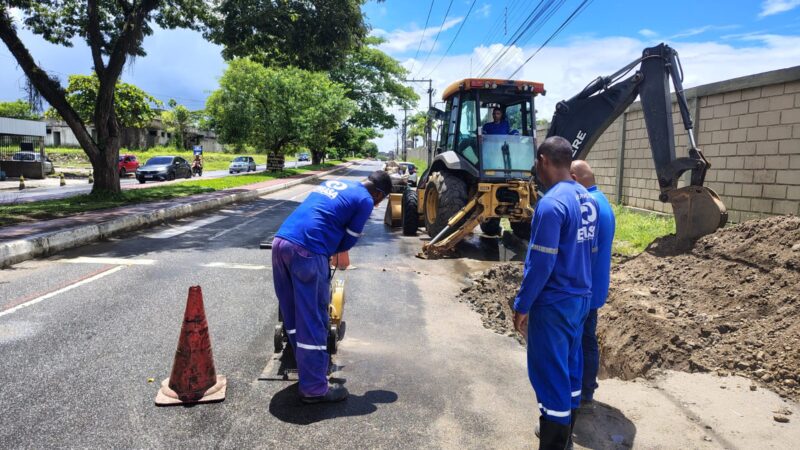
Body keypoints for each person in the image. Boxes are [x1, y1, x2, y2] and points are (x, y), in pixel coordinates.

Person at [271, 171, 393, 404]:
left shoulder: (337, 183)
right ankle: (315, 388)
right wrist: (329, 251)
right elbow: (348, 240)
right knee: (313, 318)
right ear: (378, 193)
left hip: (281, 242)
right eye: (381, 199)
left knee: (292, 314)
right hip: (307, 250)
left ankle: (307, 369)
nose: (377, 204)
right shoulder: (366, 199)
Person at [512, 136, 599, 449]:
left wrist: (522, 305)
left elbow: (540, 263)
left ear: (543, 160)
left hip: (553, 304)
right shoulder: (585, 198)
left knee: (550, 379)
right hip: (580, 300)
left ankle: (553, 443)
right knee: (571, 373)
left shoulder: (550, 204)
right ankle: (566, 439)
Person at [570, 160, 615, 407]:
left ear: (574, 179)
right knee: (587, 339)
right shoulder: (603, 202)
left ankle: (580, 396)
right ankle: (587, 391)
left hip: (583, 290)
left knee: (579, 341)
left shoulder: (588, 207)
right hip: (596, 287)